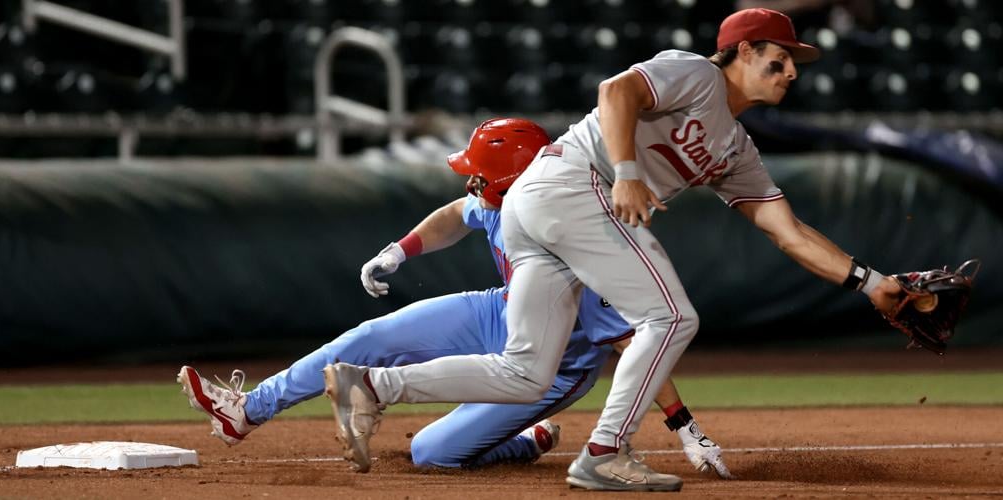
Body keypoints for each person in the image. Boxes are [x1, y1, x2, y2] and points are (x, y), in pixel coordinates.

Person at [324, 8, 904, 491]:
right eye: (780, 58)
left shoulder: (735, 148)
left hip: (544, 205)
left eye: (794, 63)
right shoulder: (698, 74)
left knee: (527, 373)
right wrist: (626, 172)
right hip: (574, 184)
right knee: (671, 317)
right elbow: (616, 90)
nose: (792, 71)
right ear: (744, 50)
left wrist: (872, 283)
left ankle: (372, 386)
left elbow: (788, 231)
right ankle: (605, 453)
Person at [177, 118, 730, 474]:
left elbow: (636, 343)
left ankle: (526, 439)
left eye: (480, 174)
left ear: (510, 181)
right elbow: (454, 214)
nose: (471, 181)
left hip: (553, 368)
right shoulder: (499, 203)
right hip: (497, 310)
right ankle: (247, 411)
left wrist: (684, 425)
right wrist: (399, 251)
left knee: (432, 454)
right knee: (371, 337)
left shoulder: (580, 237)